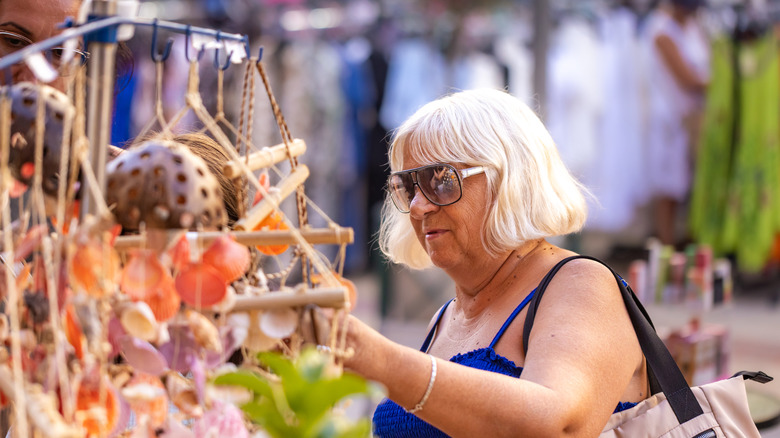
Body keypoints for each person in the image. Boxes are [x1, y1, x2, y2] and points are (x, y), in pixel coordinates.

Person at [336, 89, 649, 436]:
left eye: (440, 180)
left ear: (509, 180)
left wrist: (378, 360)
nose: (417, 207)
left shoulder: (581, 284)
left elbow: (559, 427)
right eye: (409, 187)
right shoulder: (444, 317)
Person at [642, 0, 710, 246]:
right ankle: (666, 250)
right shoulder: (662, 31)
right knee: (669, 188)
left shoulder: (692, 28)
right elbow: (687, 79)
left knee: (685, 186)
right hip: (671, 120)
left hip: (692, 117)